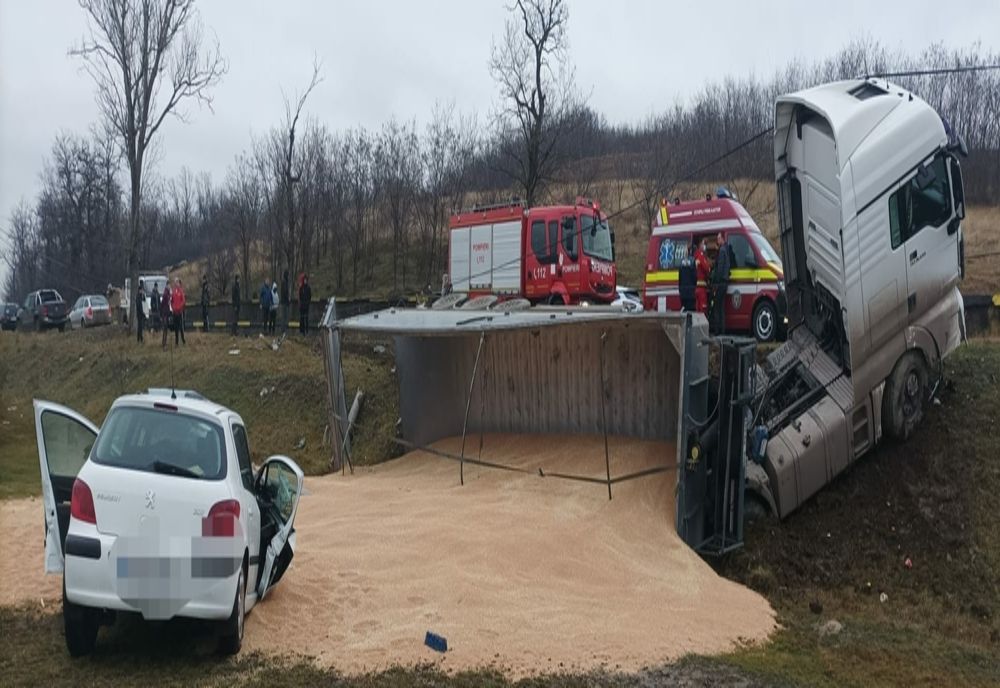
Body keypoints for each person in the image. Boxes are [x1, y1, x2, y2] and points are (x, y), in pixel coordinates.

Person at [710, 231, 733, 334]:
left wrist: (715, 281)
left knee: (716, 307)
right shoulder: (727, 250)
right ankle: (723, 331)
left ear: (722, 239)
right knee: (722, 307)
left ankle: (717, 331)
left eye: (719, 238)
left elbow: (720, 268)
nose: (717, 240)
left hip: (720, 283)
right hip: (725, 282)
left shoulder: (722, 250)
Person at [694, 237, 711, 314]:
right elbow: (707, 268)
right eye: (704, 244)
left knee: (698, 309)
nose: (705, 246)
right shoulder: (701, 255)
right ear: (700, 245)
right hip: (701, 287)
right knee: (703, 309)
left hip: (696, 287)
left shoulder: (696, 255)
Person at [171, 277, 186, 346]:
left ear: (179, 283)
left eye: (177, 282)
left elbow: (183, 300)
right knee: (176, 328)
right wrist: (173, 307)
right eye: (175, 282)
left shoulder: (181, 291)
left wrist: (180, 307)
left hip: (179, 312)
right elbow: (172, 301)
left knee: (181, 327)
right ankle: (176, 342)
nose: (176, 283)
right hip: (175, 312)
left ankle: (183, 341)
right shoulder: (173, 291)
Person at [160, 282, 172, 350]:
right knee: (165, 328)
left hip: (166, 313)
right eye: (169, 285)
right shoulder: (165, 294)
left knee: (166, 329)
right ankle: (164, 344)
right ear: (167, 285)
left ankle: (164, 342)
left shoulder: (167, 293)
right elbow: (163, 304)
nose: (170, 286)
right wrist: (162, 314)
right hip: (164, 313)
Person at [136, 279, 146, 344]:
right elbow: (139, 306)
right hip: (139, 313)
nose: (142, 291)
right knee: (140, 327)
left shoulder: (141, 296)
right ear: (140, 290)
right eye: (142, 290)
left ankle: (140, 338)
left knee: (141, 326)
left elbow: (144, 302)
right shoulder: (138, 296)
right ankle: (139, 338)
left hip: (141, 313)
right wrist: (143, 312)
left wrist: (143, 296)